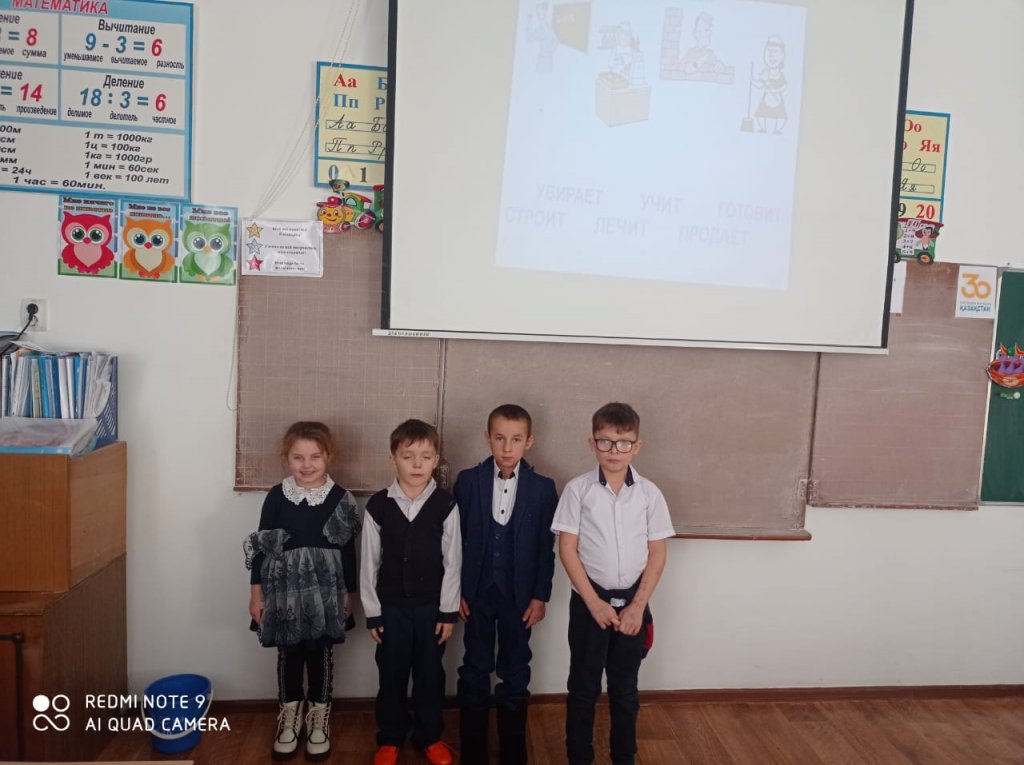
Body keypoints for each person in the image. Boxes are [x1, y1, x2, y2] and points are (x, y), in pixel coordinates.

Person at [551, 403, 674, 765]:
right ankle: (579, 757)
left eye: (623, 443)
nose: (614, 451)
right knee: (583, 687)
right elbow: (567, 549)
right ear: (592, 443)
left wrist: (637, 606)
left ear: (637, 446)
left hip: (633, 606)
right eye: (605, 442)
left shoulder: (650, 494)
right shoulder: (578, 490)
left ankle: (624, 757)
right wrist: (593, 603)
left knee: (625, 690)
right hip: (590, 605)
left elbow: (657, 552)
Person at [244, 421, 360, 762]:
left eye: (315, 457)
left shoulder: (341, 498)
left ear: (329, 457)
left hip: (326, 594)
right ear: (287, 458)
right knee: (289, 655)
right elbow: (262, 548)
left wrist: (349, 594)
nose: (307, 465)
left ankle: (319, 721)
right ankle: (289, 720)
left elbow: (348, 553)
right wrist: (256, 594)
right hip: (284, 594)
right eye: (298, 457)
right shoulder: (276, 497)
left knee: (320, 654)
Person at [455, 404, 559, 764]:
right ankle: (473, 752)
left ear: (529, 441)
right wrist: (457, 591)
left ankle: (514, 752)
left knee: (515, 668)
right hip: (477, 594)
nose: (507, 447)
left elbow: (546, 548)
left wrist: (540, 596)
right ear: (488, 438)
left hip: (519, 597)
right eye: (499, 438)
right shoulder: (468, 481)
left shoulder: (544, 489)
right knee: (475, 666)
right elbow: (454, 542)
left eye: (516, 439)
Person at [361, 419, 462, 765]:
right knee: (391, 675)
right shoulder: (378, 506)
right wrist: (373, 612)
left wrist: (448, 611)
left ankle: (429, 736)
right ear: (393, 459)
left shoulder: (445, 505)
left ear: (436, 460)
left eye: (425, 456)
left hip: (431, 610)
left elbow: (453, 562)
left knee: (430, 676)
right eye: (408, 456)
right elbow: (369, 563)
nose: (417, 464)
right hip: (391, 610)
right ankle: (390, 737)